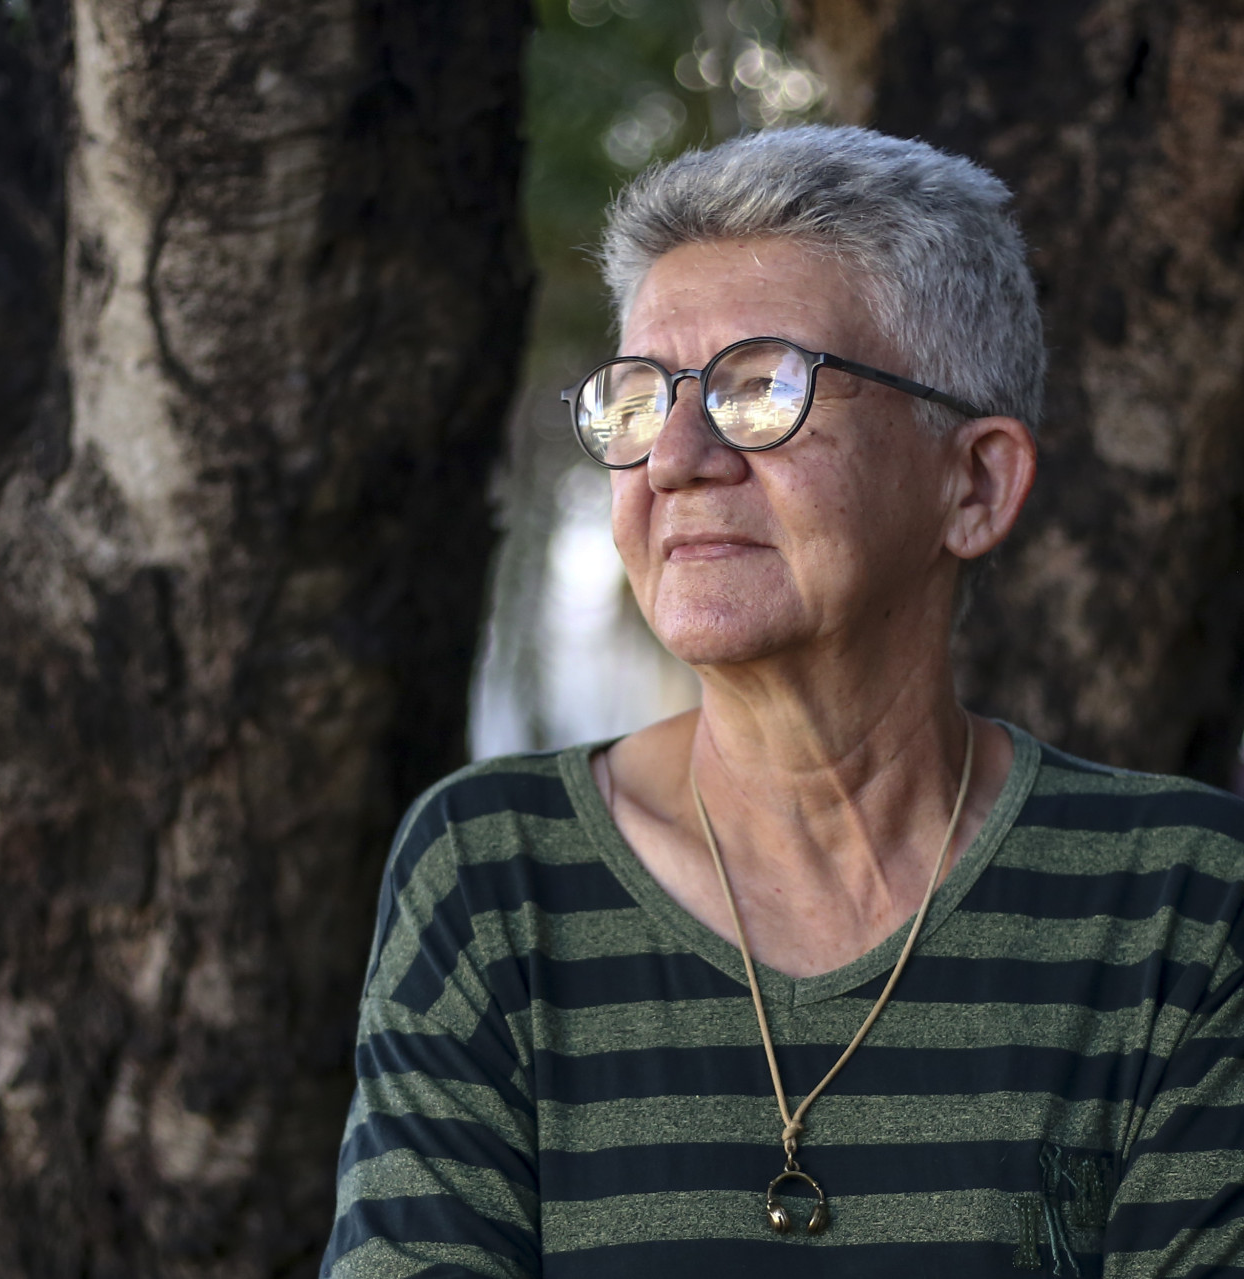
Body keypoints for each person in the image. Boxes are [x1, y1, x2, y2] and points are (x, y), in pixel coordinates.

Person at [320, 126, 1244, 1278]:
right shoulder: (495, 873)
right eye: (642, 399)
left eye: (763, 387)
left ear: (975, 482)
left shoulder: (1181, 906)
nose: (675, 459)